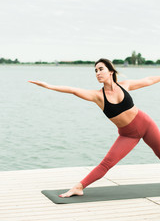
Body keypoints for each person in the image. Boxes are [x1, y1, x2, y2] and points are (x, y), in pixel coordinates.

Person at [28, 58, 160, 198]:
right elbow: (73, 90)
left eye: (101, 69)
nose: (97, 73)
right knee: (106, 164)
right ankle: (78, 187)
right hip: (128, 135)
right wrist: (49, 86)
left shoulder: (125, 85)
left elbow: (149, 80)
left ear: (110, 71)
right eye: (95, 71)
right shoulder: (98, 96)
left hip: (146, 125)